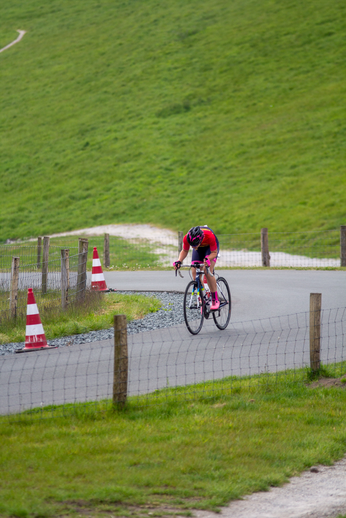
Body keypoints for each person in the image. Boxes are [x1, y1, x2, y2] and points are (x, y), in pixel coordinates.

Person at [173, 226, 220, 310]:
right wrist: (179, 261)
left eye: (194, 245)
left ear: (200, 240)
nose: (193, 247)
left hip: (210, 248)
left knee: (207, 271)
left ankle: (214, 299)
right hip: (199, 249)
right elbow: (185, 251)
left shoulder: (209, 236)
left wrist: (208, 259)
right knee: (195, 272)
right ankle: (203, 295)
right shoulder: (187, 238)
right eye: (191, 245)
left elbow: (214, 253)